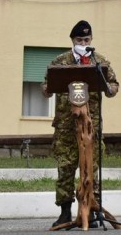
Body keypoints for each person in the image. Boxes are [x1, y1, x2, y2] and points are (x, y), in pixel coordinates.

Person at [41, 20, 118, 228]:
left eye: (86, 39)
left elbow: (113, 84)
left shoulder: (98, 62)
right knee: (65, 169)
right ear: (72, 41)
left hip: (91, 127)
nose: (83, 42)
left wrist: (111, 90)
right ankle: (65, 212)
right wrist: (46, 90)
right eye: (79, 39)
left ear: (91, 40)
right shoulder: (60, 62)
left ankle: (92, 211)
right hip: (66, 126)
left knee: (92, 169)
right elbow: (47, 85)